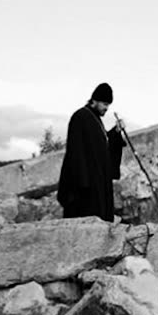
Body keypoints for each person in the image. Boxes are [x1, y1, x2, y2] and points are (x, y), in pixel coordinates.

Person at [57, 83, 127, 221]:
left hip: (97, 183)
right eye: (104, 104)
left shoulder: (96, 119)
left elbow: (103, 145)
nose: (106, 108)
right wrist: (83, 183)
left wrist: (116, 132)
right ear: (94, 101)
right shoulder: (80, 117)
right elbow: (75, 151)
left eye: (108, 105)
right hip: (85, 186)